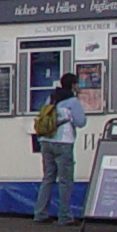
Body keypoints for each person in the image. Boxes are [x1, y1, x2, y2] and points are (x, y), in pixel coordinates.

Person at [33, 72, 86, 224]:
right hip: (63, 142)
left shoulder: (51, 97)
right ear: (73, 85)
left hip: (46, 140)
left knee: (48, 177)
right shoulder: (73, 101)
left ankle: (40, 213)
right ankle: (64, 216)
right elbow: (81, 122)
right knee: (65, 180)